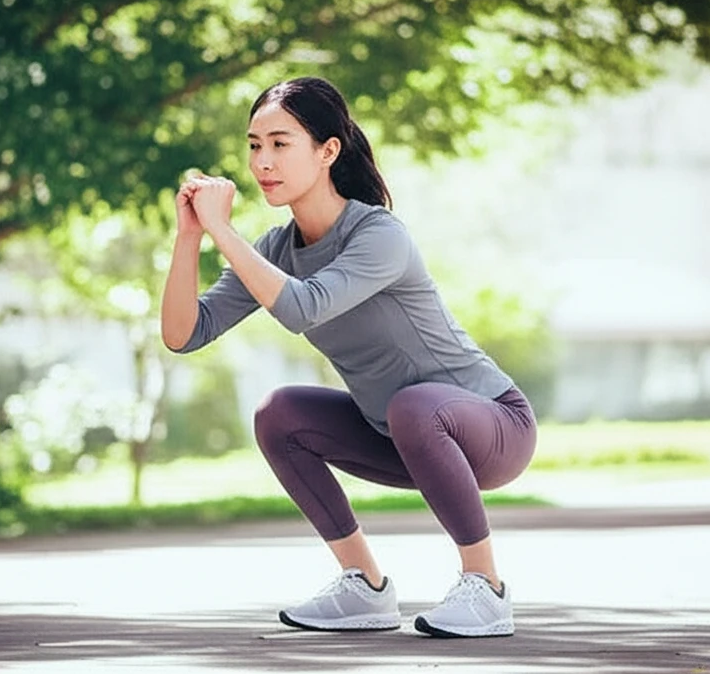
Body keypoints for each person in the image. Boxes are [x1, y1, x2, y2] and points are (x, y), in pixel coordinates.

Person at [160, 76, 537, 638]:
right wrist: (190, 236)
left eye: (280, 144)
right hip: (399, 434)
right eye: (254, 145)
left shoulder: (378, 235)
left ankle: (486, 587)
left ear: (328, 150)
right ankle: (365, 585)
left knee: (414, 405)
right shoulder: (277, 249)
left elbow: (301, 308)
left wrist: (222, 228)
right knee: (279, 414)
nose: (262, 162)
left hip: (494, 425)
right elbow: (184, 334)